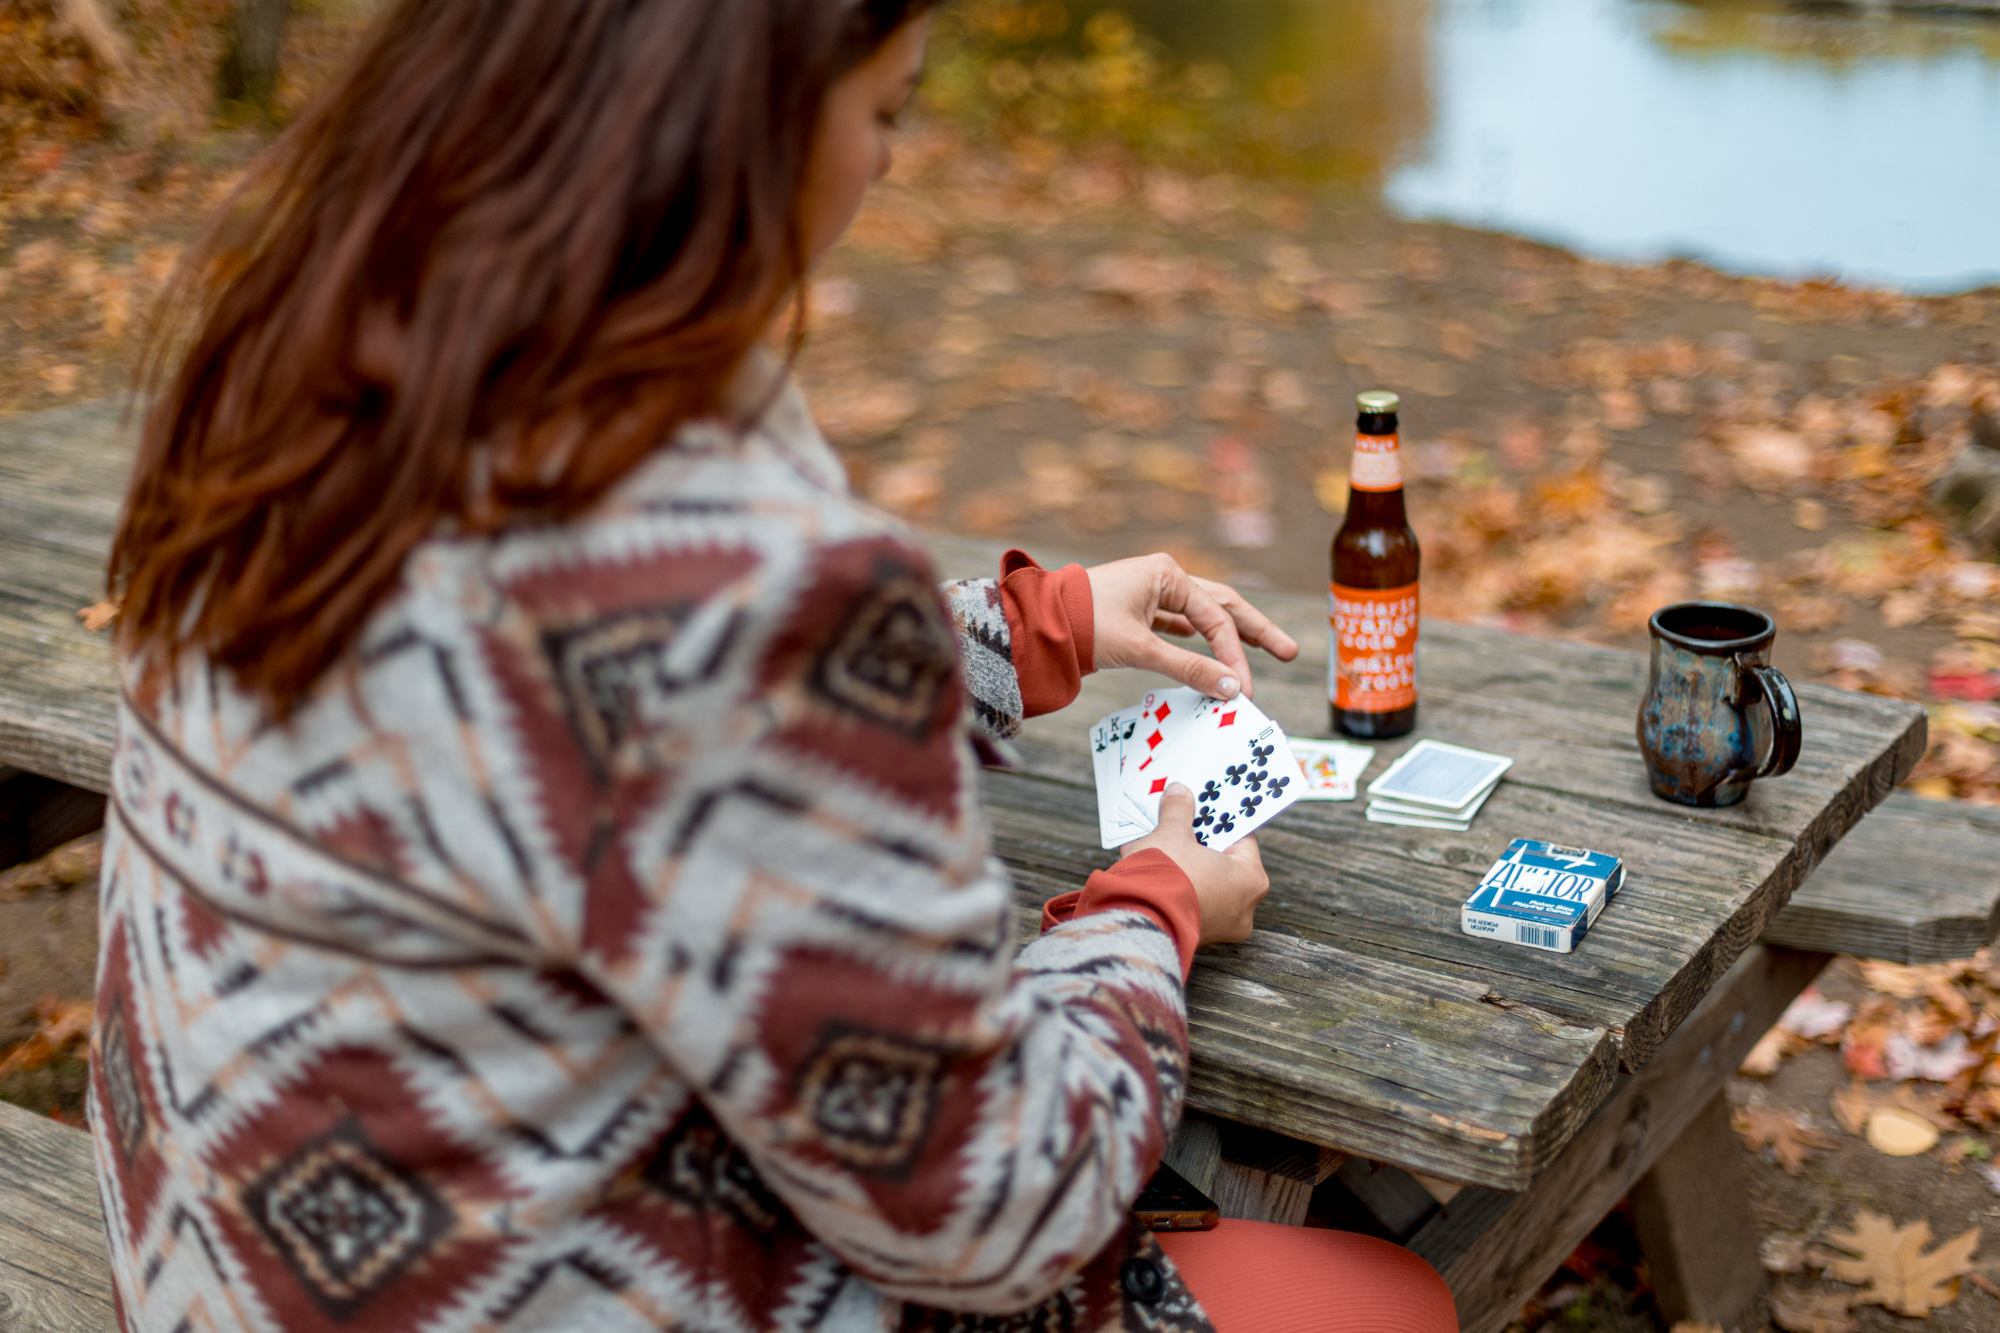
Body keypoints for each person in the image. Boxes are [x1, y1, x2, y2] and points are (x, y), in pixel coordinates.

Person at [89, 2, 1459, 1329]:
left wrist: (1035, 623)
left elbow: (597, 702)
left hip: (215, 1270)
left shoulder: (305, 369)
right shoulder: (745, 569)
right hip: (544, 1284)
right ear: (748, 122)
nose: (887, 161)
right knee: (1387, 1301)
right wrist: (1153, 904)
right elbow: (995, 1204)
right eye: (886, 110)